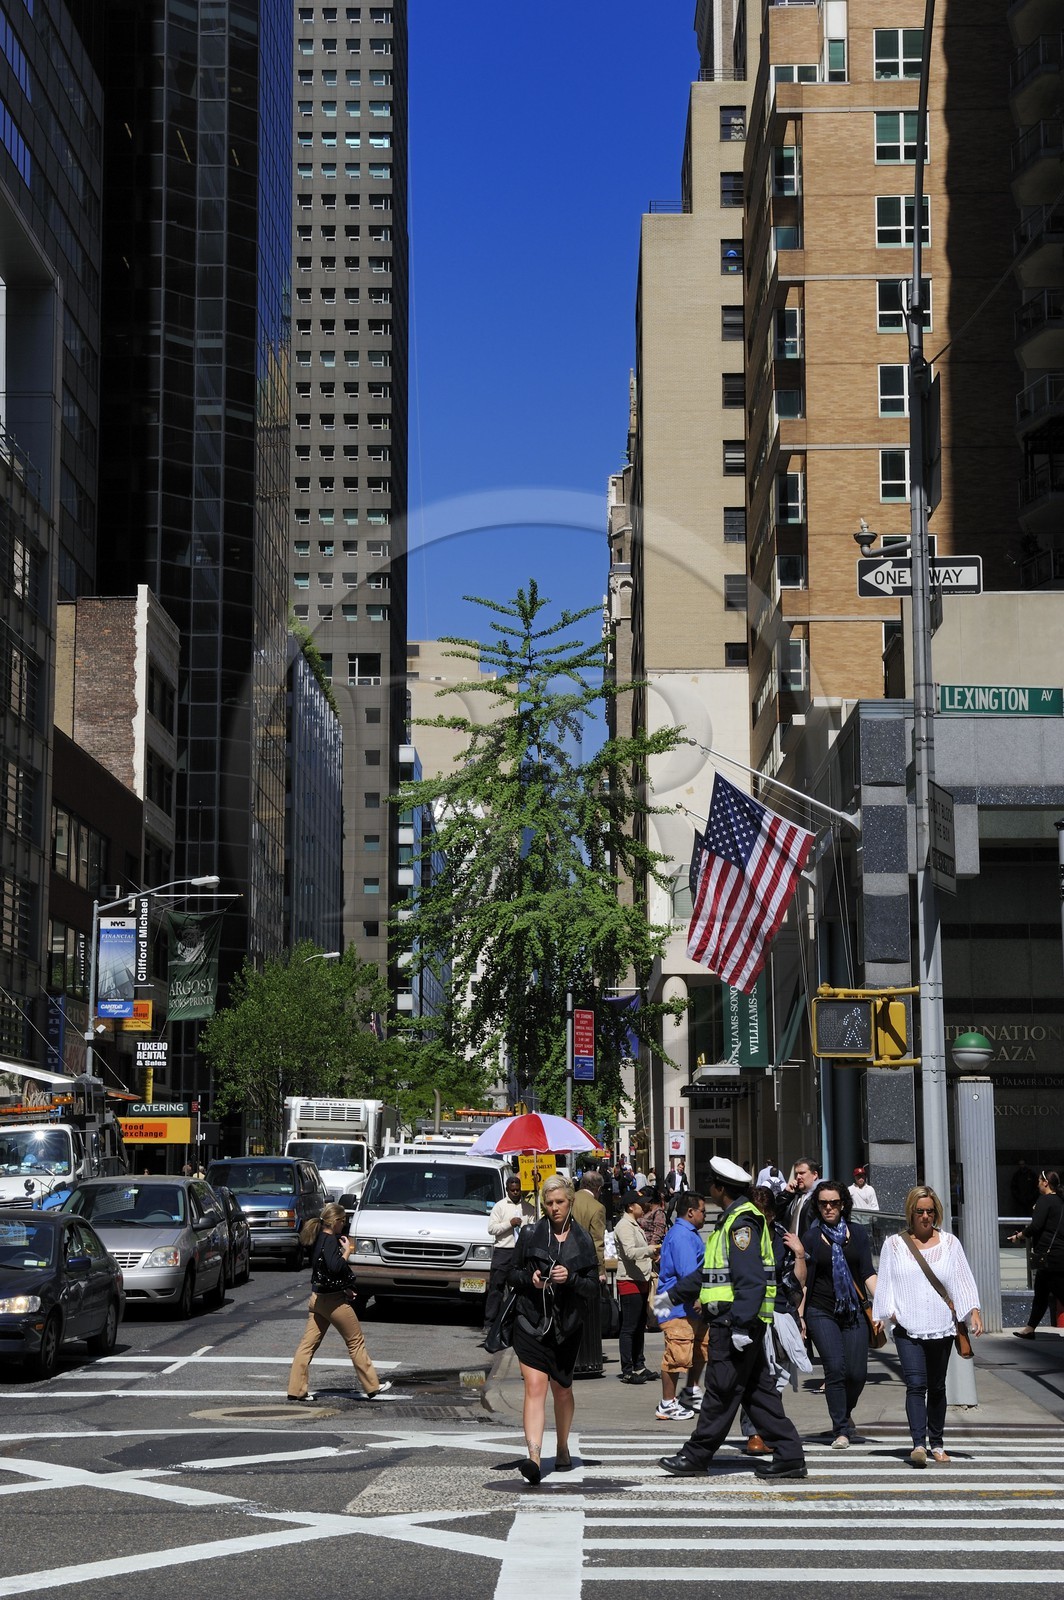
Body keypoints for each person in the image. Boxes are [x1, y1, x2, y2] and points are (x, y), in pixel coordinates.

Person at [658, 1157, 807, 1481]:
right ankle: (791, 1454)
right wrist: (674, 1295)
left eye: (711, 1183)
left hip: (734, 1324)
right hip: (735, 1323)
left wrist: (740, 1324)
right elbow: (710, 1272)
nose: (709, 1188)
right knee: (757, 1394)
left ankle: (697, 1455)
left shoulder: (741, 1223)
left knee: (721, 1391)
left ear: (720, 1188)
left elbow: (751, 1281)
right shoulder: (733, 1220)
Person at [873, 1184, 983, 1466]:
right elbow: (885, 1282)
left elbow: (962, 1278)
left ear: (936, 1213)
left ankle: (937, 1443)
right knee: (915, 1384)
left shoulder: (950, 1243)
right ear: (910, 1213)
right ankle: (918, 1444)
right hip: (907, 1327)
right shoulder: (894, 1244)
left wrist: (973, 1310)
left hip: (941, 1325)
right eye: (920, 1211)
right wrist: (883, 1315)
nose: (925, 1216)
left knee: (936, 1386)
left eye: (930, 1211)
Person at [510, 1173, 599, 1483]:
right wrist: (530, 1280)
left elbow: (593, 1289)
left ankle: (562, 1446)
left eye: (560, 1202)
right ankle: (533, 1456)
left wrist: (571, 1279)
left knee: (562, 1390)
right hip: (531, 1321)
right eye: (549, 1203)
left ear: (570, 1202)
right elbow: (512, 1275)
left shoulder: (582, 1240)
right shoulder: (531, 1234)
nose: (554, 1208)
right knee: (535, 1387)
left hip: (566, 1328)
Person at [799, 1178, 879, 1449]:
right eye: (823, 1204)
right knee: (835, 1369)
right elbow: (804, 1281)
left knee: (856, 1374)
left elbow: (867, 1272)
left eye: (834, 1203)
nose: (829, 1208)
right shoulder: (810, 1238)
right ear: (817, 1206)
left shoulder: (857, 1233)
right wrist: (800, 1317)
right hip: (820, 1311)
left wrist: (885, 1302)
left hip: (853, 1311)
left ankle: (844, 1414)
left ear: (843, 1204)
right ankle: (841, 1430)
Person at [286, 1202, 391, 1404]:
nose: (344, 1225)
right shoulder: (332, 1240)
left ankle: (296, 1389)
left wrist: (345, 1286)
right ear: (335, 1221)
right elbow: (334, 1267)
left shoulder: (317, 1238)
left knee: (307, 1346)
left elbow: (324, 1270)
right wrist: (347, 1251)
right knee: (355, 1341)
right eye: (343, 1221)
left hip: (317, 1299)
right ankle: (372, 1386)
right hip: (334, 1302)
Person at [655, 1190, 707, 1421]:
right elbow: (689, 1275)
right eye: (702, 1211)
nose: (704, 1215)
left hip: (687, 1306)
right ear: (690, 1212)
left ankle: (690, 1393)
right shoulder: (682, 1236)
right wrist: (697, 1297)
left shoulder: (687, 1234)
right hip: (678, 1306)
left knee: (699, 1351)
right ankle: (667, 1403)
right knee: (677, 1356)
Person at [1010, 1169, 1064, 1338]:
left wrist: (1019, 1236)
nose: (1037, 1183)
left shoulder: (1045, 1200)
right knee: (1040, 1294)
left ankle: (1030, 1328)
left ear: (1045, 1183)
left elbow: (1036, 1226)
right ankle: (1030, 1328)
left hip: (1050, 1258)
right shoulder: (1060, 1201)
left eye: (1039, 1181)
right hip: (1057, 1256)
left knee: (1059, 1292)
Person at [482, 1173, 535, 1339]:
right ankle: (490, 1323)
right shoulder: (499, 1207)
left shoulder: (528, 1208)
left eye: (518, 1190)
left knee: (522, 1288)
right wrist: (509, 1224)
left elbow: (533, 1228)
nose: (515, 1192)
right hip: (503, 1251)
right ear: (507, 1190)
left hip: (520, 1252)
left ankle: (518, 1323)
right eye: (512, 1190)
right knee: (496, 1287)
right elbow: (492, 1229)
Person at [615, 1191, 654, 1382]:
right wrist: (651, 1250)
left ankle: (639, 1365)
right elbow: (630, 1252)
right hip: (629, 1280)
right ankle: (627, 1369)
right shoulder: (624, 1225)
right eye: (640, 1204)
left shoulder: (634, 1224)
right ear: (631, 1206)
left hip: (640, 1279)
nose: (644, 1207)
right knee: (629, 1327)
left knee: (639, 1325)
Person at [784, 1156, 822, 1236]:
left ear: (815, 1175)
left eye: (802, 1173)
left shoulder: (821, 1197)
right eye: (796, 1174)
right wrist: (786, 1194)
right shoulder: (795, 1196)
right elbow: (777, 1215)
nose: (798, 1177)